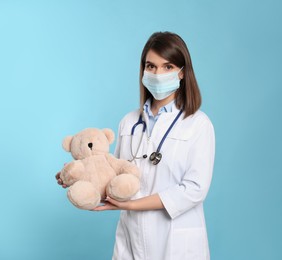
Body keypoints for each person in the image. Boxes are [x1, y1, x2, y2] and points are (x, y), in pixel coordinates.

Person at [56, 31, 215, 260]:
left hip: (177, 243)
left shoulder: (198, 124)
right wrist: (79, 176)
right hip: (132, 241)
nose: (158, 74)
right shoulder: (129, 122)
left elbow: (194, 189)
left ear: (182, 72)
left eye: (167, 66)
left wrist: (133, 205)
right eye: (151, 66)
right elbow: (113, 178)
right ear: (143, 70)